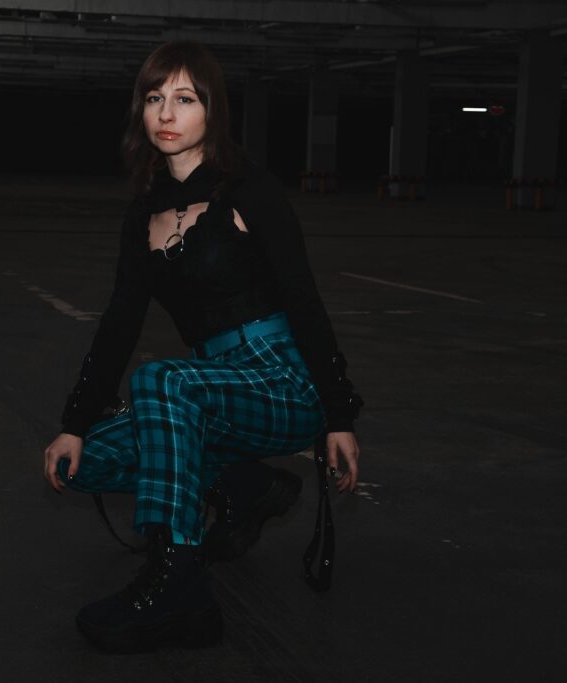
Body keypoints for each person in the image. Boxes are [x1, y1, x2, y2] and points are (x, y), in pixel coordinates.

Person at [42, 41, 362, 653]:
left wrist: (338, 413)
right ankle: (243, 488)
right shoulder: (143, 215)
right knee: (86, 463)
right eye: (154, 98)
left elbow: (304, 301)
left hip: (279, 380)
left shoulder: (250, 191)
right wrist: (74, 423)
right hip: (210, 388)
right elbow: (120, 323)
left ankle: (178, 583)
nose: (166, 113)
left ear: (212, 110)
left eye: (185, 99)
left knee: (162, 381)